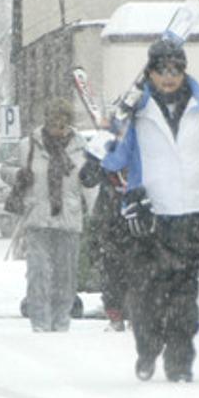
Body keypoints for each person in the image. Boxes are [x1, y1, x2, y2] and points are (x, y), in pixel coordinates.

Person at [101, 37, 199, 382]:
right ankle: (148, 348)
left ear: (184, 71)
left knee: (183, 294)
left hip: (195, 211)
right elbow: (115, 153)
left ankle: (180, 362)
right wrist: (100, 160)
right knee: (147, 293)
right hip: (151, 215)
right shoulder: (136, 110)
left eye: (175, 70)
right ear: (149, 73)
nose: (168, 78)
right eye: (161, 70)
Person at [1, 98, 88, 332]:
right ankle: (40, 323)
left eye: (63, 125)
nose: (58, 130)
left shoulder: (81, 148)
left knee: (65, 276)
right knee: (38, 274)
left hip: (68, 219)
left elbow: (89, 183)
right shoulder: (28, 145)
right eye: (54, 124)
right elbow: (4, 169)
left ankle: (61, 323)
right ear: (46, 122)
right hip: (37, 217)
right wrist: (19, 175)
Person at [79, 131, 134, 332]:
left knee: (140, 271)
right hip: (110, 220)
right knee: (112, 270)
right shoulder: (106, 152)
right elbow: (86, 178)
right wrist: (95, 161)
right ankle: (115, 316)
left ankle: (137, 316)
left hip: (139, 218)